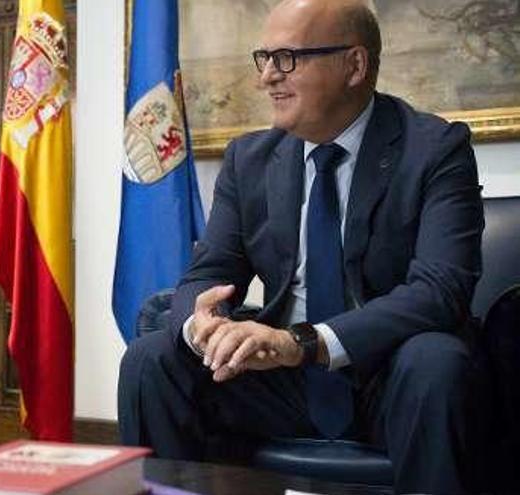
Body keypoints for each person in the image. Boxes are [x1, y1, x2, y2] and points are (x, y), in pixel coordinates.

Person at [118, 1, 483, 493]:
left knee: (436, 362)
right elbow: (209, 272)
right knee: (150, 358)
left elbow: (440, 291)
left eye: (287, 58)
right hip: (281, 381)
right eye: (264, 58)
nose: (268, 77)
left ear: (354, 65)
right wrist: (202, 323)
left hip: (386, 372)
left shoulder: (435, 149)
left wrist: (302, 344)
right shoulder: (250, 158)